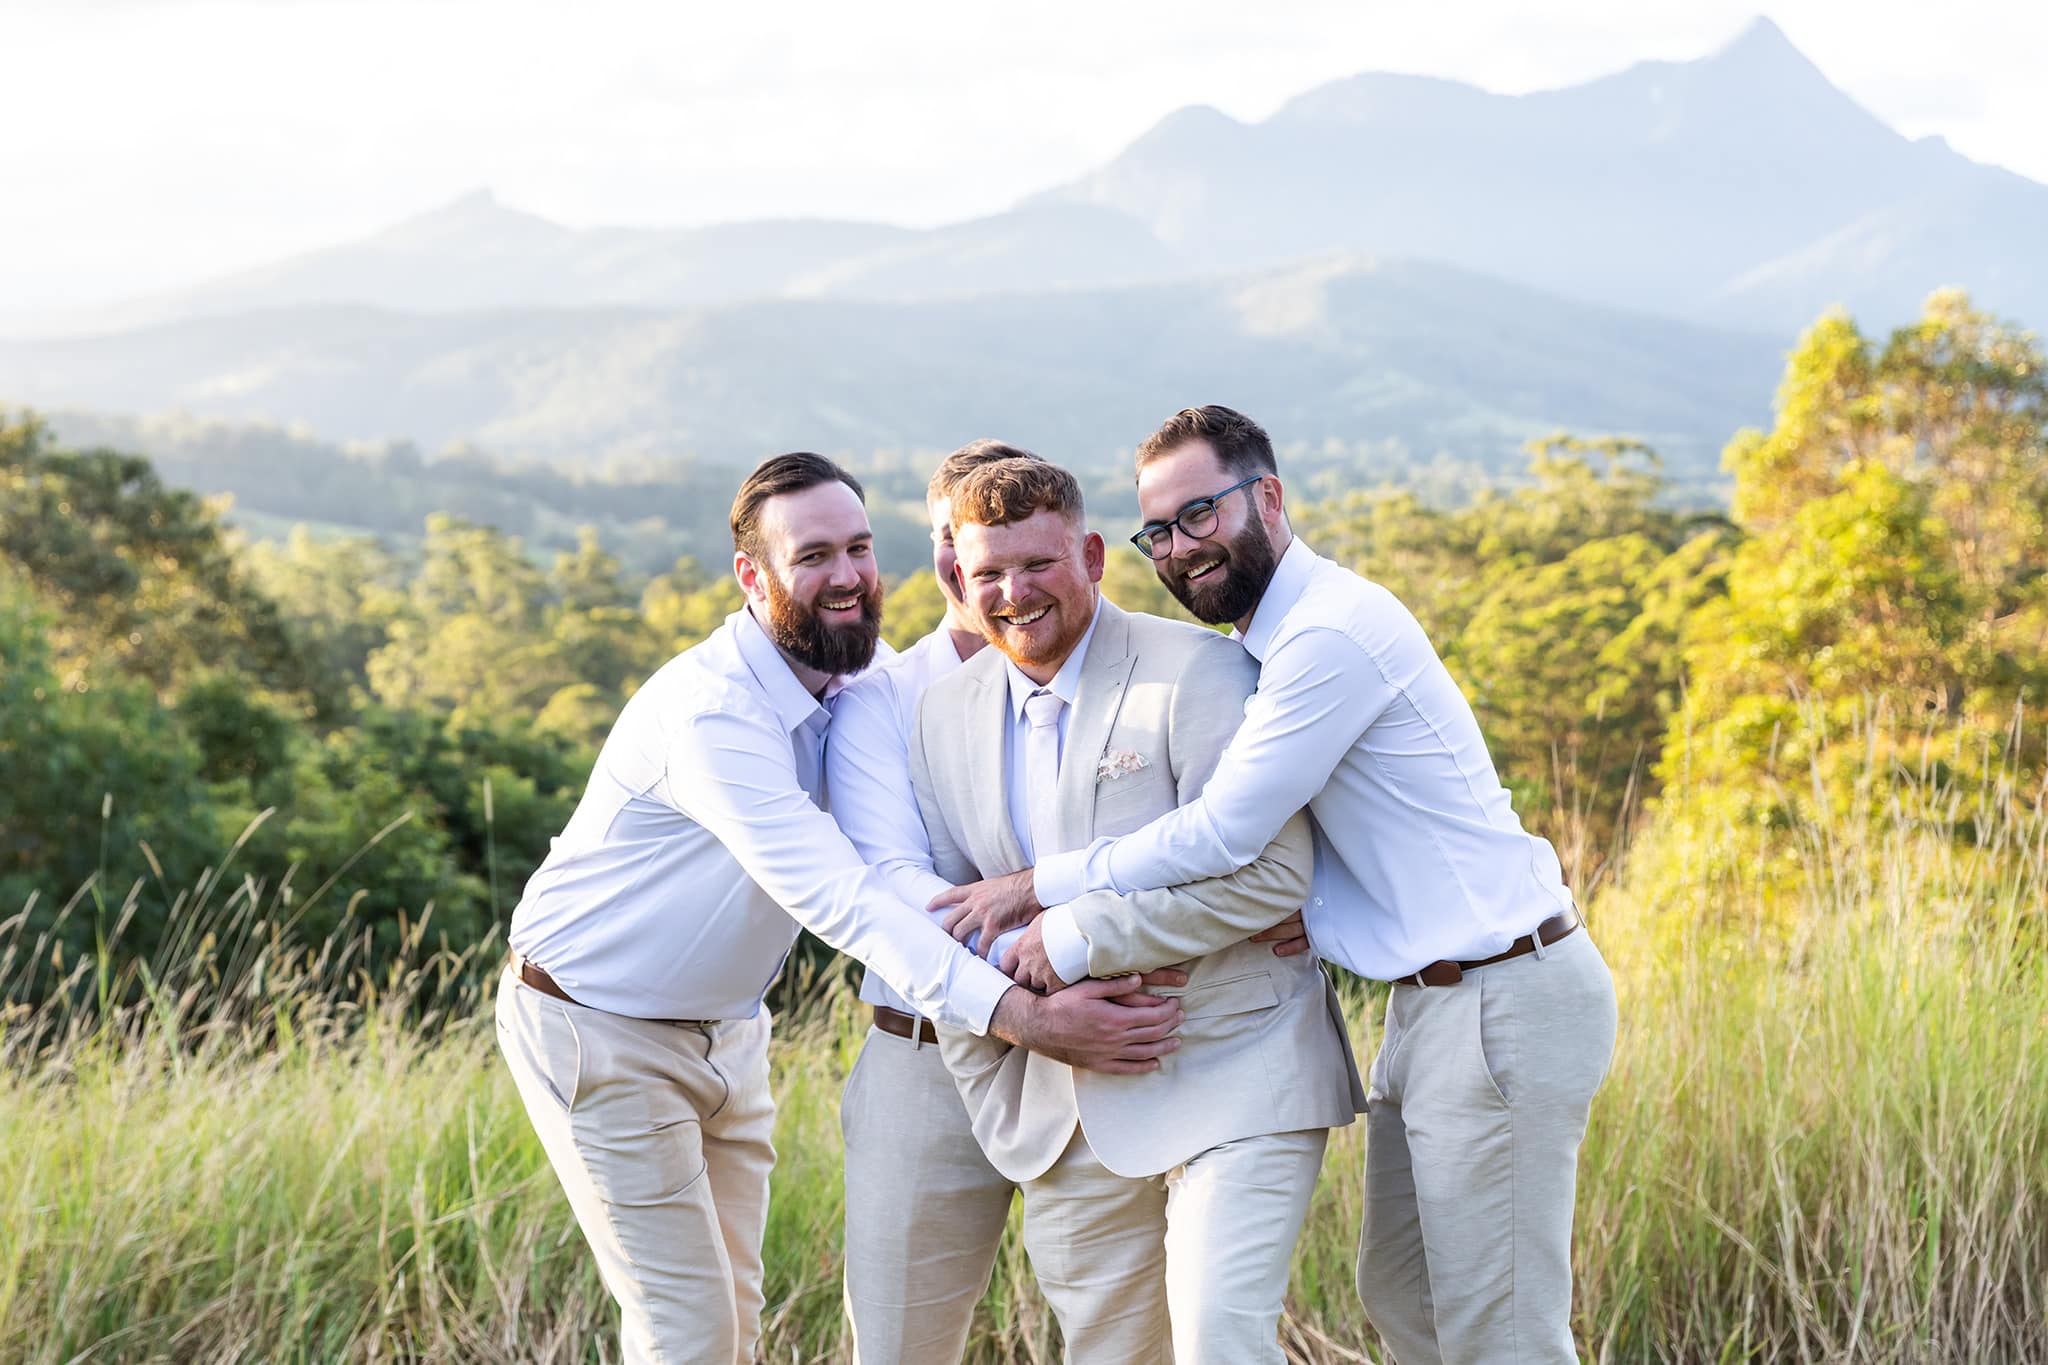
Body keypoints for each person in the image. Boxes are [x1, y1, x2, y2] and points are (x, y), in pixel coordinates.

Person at [936, 407, 1621, 1365]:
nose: (1183, 547)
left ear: (1267, 497)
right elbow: (1345, 831)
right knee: (1406, 1297)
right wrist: (1317, 907)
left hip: (1503, 995)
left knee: (1502, 1333)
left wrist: (1042, 894)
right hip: (1432, 1006)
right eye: (1162, 530)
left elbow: (1225, 829)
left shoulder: (1327, 635)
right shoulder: (1270, 643)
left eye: (1202, 513)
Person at [495, 452, 1185, 1365]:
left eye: (859, 547)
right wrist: (1025, 1013)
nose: (848, 575)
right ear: (753, 574)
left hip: (725, 1033)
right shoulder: (714, 715)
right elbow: (848, 898)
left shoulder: (863, 683)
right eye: (813, 554)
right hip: (598, 1026)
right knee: (688, 1335)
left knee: (734, 1316)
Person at [909, 455, 1363, 1363]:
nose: (1014, 593)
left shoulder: (1198, 670)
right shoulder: (938, 713)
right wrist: (1029, 1024)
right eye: (989, 573)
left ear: (1089, 554)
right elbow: (941, 923)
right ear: (960, 576)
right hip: (1067, 1102)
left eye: (1038, 565)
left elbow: (1274, 875)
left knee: (1217, 1341)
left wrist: (1077, 941)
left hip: (1238, 1061)